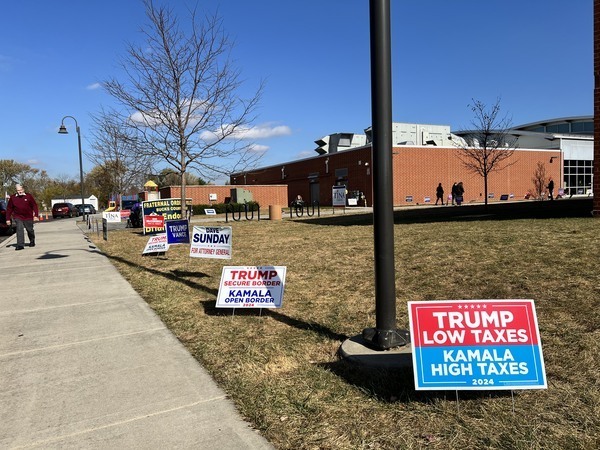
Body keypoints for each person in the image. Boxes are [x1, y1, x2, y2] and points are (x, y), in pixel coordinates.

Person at [6, 184, 39, 250]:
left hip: (28, 216)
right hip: (18, 216)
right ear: (16, 190)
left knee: (30, 230)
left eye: (20, 190)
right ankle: (20, 245)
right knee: (19, 229)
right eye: (18, 190)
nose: (19, 192)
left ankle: (32, 240)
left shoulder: (28, 196)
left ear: (23, 189)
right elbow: (9, 209)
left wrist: (36, 215)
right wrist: (8, 219)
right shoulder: (13, 198)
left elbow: (34, 206)